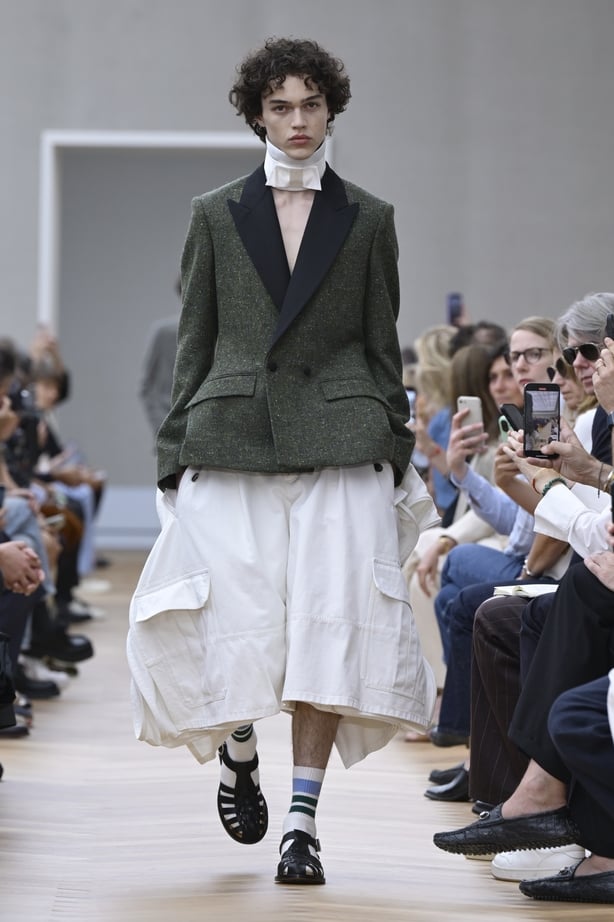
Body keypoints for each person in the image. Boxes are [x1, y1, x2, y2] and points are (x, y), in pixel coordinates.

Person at [127, 37, 437, 887]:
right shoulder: (214, 213)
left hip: (341, 444)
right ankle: (237, 747)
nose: (298, 122)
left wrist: (393, 439)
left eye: (310, 105)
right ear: (256, 115)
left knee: (328, 628)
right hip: (232, 437)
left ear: (331, 109)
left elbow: (383, 348)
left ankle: (302, 821)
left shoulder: (370, 218)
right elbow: (196, 344)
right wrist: (171, 457)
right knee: (233, 623)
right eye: (280, 107)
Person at [139, 277, 181, 438]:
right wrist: (161, 428)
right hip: (173, 429)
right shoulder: (165, 333)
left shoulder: (221, 333)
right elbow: (148, 385)